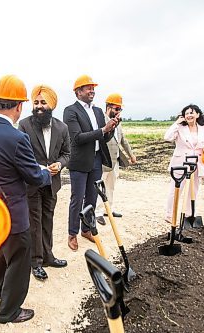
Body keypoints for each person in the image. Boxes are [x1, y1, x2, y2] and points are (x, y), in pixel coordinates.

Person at [0, 75, 51, 324]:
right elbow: (34, 177)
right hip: (13, 212)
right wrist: (47, 172)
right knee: (18, 257)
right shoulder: (17, 138)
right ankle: (9, 311)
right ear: (19, 106)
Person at [18, 85, 71, 281]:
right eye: (36, 102)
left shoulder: (62, 127)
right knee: (35, 222)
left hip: (52, 183)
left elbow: (67, 154)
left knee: (48, 219)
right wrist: (39, 168)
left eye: (43, 102)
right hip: (32, 183)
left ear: (52, 105)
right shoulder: (24, 125)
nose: (39, 106)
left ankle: (49, 257)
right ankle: (36, 262)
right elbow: (22, 155)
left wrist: (60, 164)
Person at [63, 75, 118, 251]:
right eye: (88, 88)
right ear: (78, 92)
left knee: (92, 197)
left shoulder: (98, 111)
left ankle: (86, 229)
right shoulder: (70, 111)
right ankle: (72, 233)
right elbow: (77, 138)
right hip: (79, 161)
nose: (92, 90)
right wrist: (103, 129)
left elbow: (104, 137)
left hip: (96, 159)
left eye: (93, 88)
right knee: (77, 198)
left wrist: (111, 128)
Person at [164, 104, 204, 223]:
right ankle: (170, 214)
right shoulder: (180, 128)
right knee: (176, 189)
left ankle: (189, 215)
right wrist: (176, 123)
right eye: (187, 113)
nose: (189, 115)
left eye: (192, 113)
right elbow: (167, 137)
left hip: (197, 163)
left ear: (197, 114)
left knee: (193, 190)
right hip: (181, 162)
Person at [95, 93, 137, 225]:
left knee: (111, 186)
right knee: (99, 186)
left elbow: (123, 139)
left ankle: (109, 209)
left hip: (115, 160)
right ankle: (97, 212)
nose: (118, 111)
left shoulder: (118, 122)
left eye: (120, 109)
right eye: (116, 108)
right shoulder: (100, 120)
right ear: (108, 107)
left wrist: (131, 154)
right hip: (103, 159)